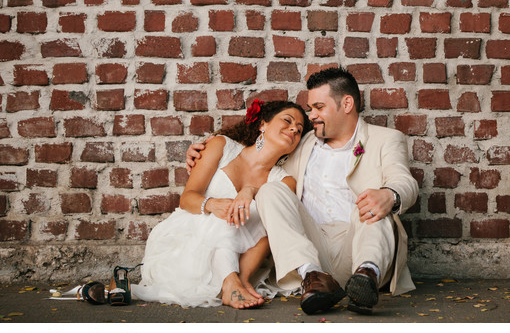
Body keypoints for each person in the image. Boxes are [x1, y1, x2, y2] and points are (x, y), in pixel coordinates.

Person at [186, 67, 418, 315]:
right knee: (270, 191)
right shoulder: (302, 141)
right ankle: (313, 278)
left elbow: (405, 182)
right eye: (310, 109)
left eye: (319, 107)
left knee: (372, 203)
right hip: (312, 250)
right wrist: (205, 149)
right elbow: (261, 151)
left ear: (347, 103)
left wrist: (390, 195)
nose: (312, 116)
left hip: (360, 242)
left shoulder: (385, 139)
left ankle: (366, 276)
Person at [133, 100, 309, 309]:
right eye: (287, 121)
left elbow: (271, 232)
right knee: (226, 213)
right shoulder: (221, 146)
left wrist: (250, 191)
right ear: (263, 124)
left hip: (243, 259)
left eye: (298, 130)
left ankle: (237, 281)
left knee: (261, 217)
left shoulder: (284, 181)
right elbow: (187, 198)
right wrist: (213, 205)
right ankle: (230, 281)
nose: (293, 129)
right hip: (190, 244)